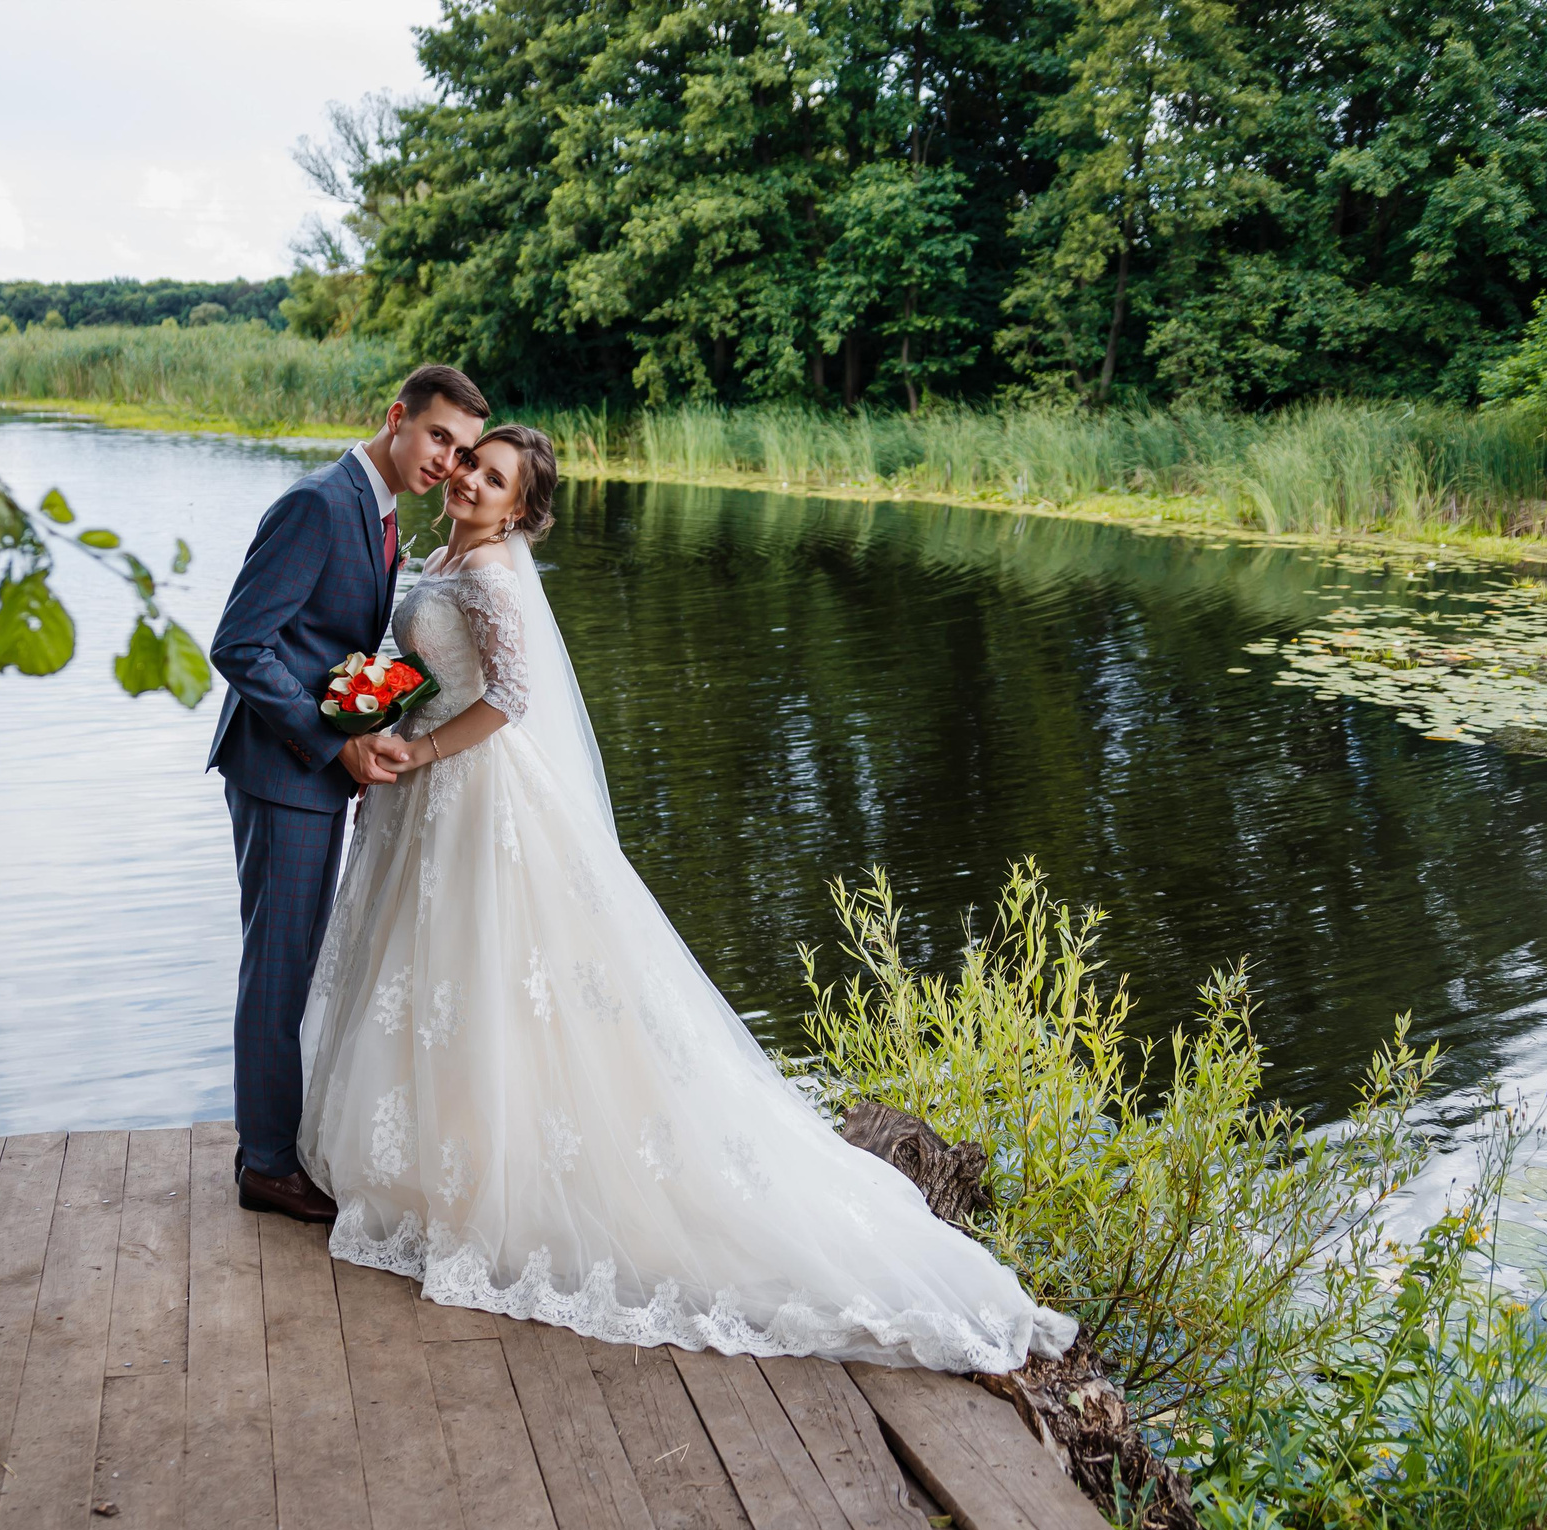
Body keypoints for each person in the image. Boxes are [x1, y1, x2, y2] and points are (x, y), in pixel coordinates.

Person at [294, 425, 1079, 1372]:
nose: (467, 479)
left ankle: (497, 1180)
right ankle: (436, 1156)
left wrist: (418, 747)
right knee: (437, 973)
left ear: (517, 510)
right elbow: (433, 663)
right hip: (425, 795)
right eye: (468, 462)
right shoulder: (447, 552)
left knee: (488, 968)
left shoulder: (493, 574)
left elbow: (509, 697)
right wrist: (374, 705)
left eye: (492, 478)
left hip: (474, 789)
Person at [208, 364, 489, 1221]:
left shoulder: (380, 511)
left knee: (292, 959)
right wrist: (336, 742)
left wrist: (369, 731)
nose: (447, 460)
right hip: (280, 770)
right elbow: (241, 643)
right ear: (398, 416)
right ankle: (266, 1165)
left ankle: (271, 1143)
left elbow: (324, 644)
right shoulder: (321, 504)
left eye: (464, 450)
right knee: (278, 967)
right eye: (438, 436)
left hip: (315, 769)